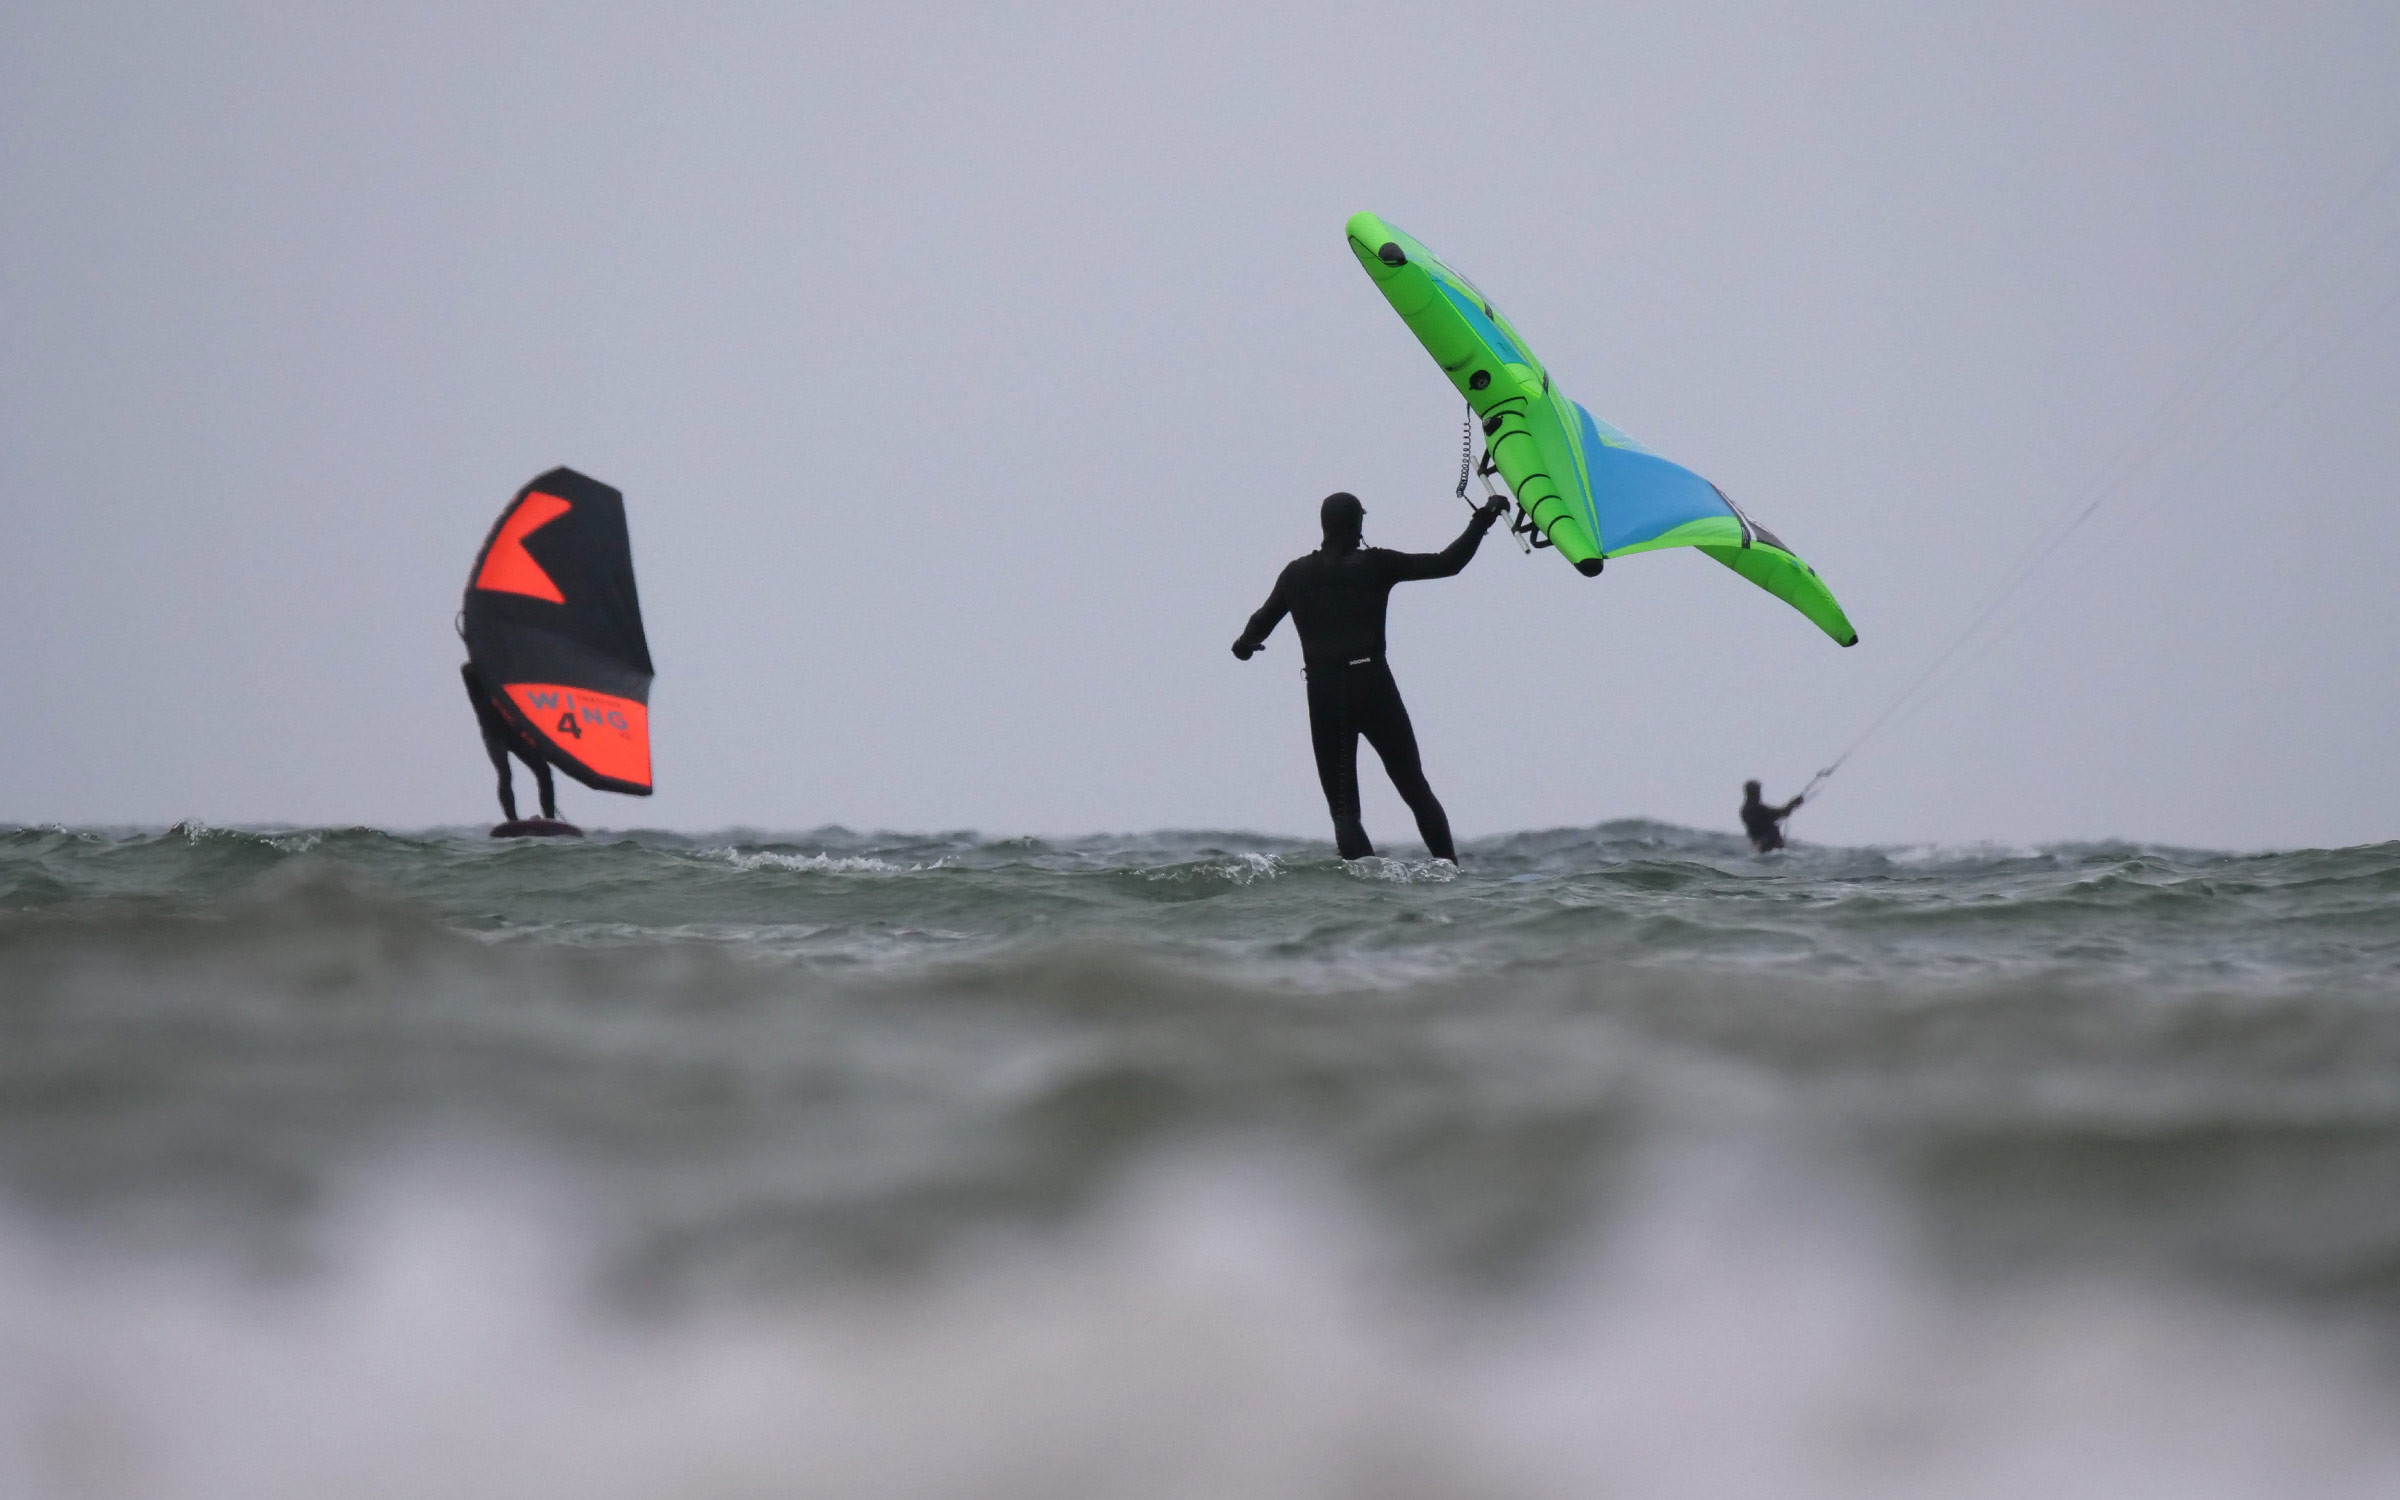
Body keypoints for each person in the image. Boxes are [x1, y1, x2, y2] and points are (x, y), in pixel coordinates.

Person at [1232, 490, 1508, 861]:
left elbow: (1258, 623)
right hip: (1373, 684)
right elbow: (1449, 562)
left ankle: (1368, 890)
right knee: (1414, 788)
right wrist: (1483, 519)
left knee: (1344, 811)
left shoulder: (1295, 575)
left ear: (1324, 526)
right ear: (1358, 524)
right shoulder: (1376, 565)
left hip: (1325, 692)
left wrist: (1245, 646)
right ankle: (1451, 874)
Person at [462, 663, 557, 823]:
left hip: (514, 732)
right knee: (505, 773)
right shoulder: (472, 674)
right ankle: (512, 821)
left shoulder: (501, 670)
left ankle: (550, 819)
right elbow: (467, 669)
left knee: (544, 771)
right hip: (493, 734)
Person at [1740, 780, 1802, 853]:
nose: (1760, 794)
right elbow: (1782, 812)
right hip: (1769, 846)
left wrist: (1792, 804)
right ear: (1756, 793)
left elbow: (1778, 814)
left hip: (1758, 844)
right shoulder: (1758, 809)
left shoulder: (1744, 810)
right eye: (1758, 791)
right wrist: (1794, 803)